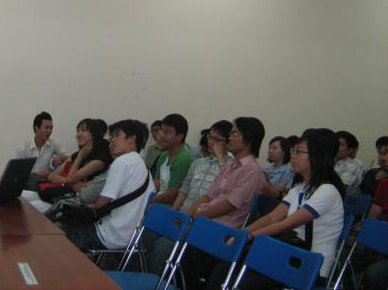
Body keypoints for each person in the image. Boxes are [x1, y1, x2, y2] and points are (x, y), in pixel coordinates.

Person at [206, 128, 345, 289]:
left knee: (245, 281)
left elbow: (286, 224)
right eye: (293, 150)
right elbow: (272, 217)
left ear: (316, 157)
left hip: (310, 266)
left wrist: (249, 236)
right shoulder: (299, 188)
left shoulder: (327, 191)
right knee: (225, 267)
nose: (292, 156)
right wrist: (242, 233)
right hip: (289, 255)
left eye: (298, 151)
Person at [180, 116, 267, 288]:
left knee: (169, 247)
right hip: (206, 222)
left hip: (222, 230)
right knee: (170, 234)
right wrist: (185, 214)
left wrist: (196, 216)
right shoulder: (231, 165)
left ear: (248, 139)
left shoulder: (252, 170)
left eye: (235, 134)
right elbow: (208, 196)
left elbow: (228, 205)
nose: (230, 138)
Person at [144, 120, 233, 275]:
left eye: (217, 140)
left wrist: (220, 158)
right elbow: (184, 190)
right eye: (210, 137)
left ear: (228, 142)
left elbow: (225, 187)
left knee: (163, 245)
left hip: (205, 219)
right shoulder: (198, 163)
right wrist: (174, 210)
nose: (211, 142)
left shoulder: (232, 167)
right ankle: (138, 275)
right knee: (147, 231)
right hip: (185, 213)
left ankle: (156, 282)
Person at [58, 119, 155, 251]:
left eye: (117, 135)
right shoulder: (143, 165)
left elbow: (102, 204)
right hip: (131, 237)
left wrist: (88, 206)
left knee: (55, 233)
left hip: (109, 234)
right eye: (111, 137)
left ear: (132, 138)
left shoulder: (123, 162)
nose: (112, 140)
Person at [47, 118, 112, 187]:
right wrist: (67, 181)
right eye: (78, 131)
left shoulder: (98, 159)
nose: (79, 134)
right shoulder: (77, 154)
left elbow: (70, 179)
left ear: (94, 134)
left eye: (83, 130)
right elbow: (52, 175)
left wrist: (80, 156)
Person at [15, 111, 68, 190]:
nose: (49, 131)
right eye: (46, 127)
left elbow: (69, 158)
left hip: (46, 182)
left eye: (51, 128)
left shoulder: (53, 144)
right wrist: (37, 175)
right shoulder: (23, 148)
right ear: (36, 128)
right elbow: (20, 175)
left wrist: (59, 158)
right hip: (28, 184)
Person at [152, 114, 194, 205]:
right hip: (158, 203)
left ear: (180, 136)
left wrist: (147, 201)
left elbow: (172, 196)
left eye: (167, 132)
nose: (162, 135)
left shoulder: (184, 159)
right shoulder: (164, 155)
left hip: (171, 208)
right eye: (162, 131)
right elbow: (156, 184)